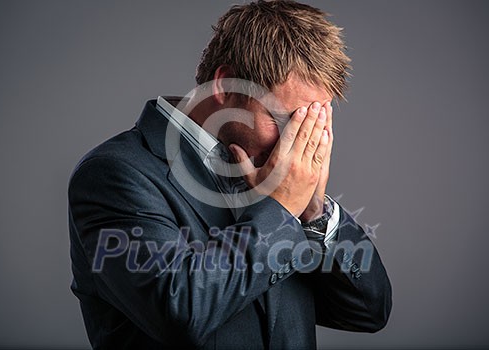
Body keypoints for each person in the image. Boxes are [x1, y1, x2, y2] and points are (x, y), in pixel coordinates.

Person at [68, 1, 392, 348]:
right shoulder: (114, 175)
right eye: (287, 121)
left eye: (312, 124)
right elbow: (181, 310)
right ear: (225, 86)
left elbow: (368, 312)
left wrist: (314, 213)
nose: (297, 145)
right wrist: (282, 208)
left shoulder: (272, 175)